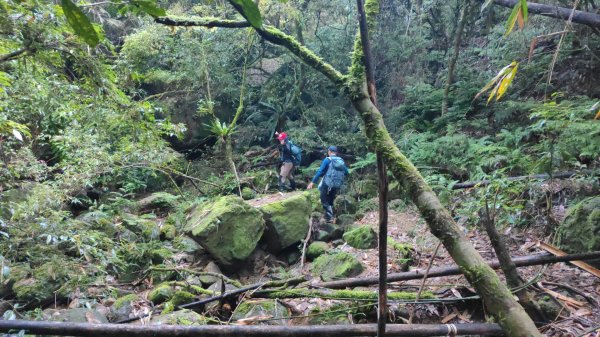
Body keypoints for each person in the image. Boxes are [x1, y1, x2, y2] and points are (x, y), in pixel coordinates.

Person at [307, 146, 349, 223]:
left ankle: (329, 216)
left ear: (329, 151)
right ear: (336, 152)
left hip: (327, 183)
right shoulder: (341, 160)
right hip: (337, 184)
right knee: (330, 199)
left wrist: (313, 182)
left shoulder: (327, 160)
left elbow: (320, 172)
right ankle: (328, 216)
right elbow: (346, 172)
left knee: (323, 198)